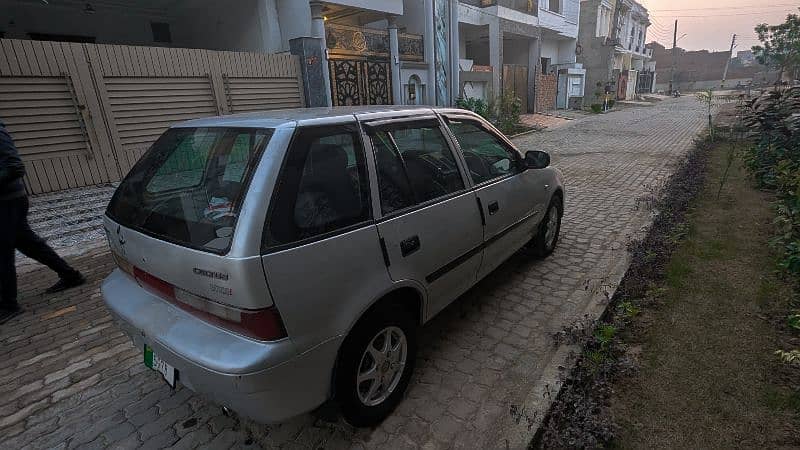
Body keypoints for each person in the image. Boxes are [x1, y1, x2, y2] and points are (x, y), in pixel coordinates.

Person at [0, 120, 86, 323]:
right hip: (7, 201)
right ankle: (70, 276)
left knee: (3, 251)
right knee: (29, 244)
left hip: (8, 201)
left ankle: (8, 304)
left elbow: (15, 167)